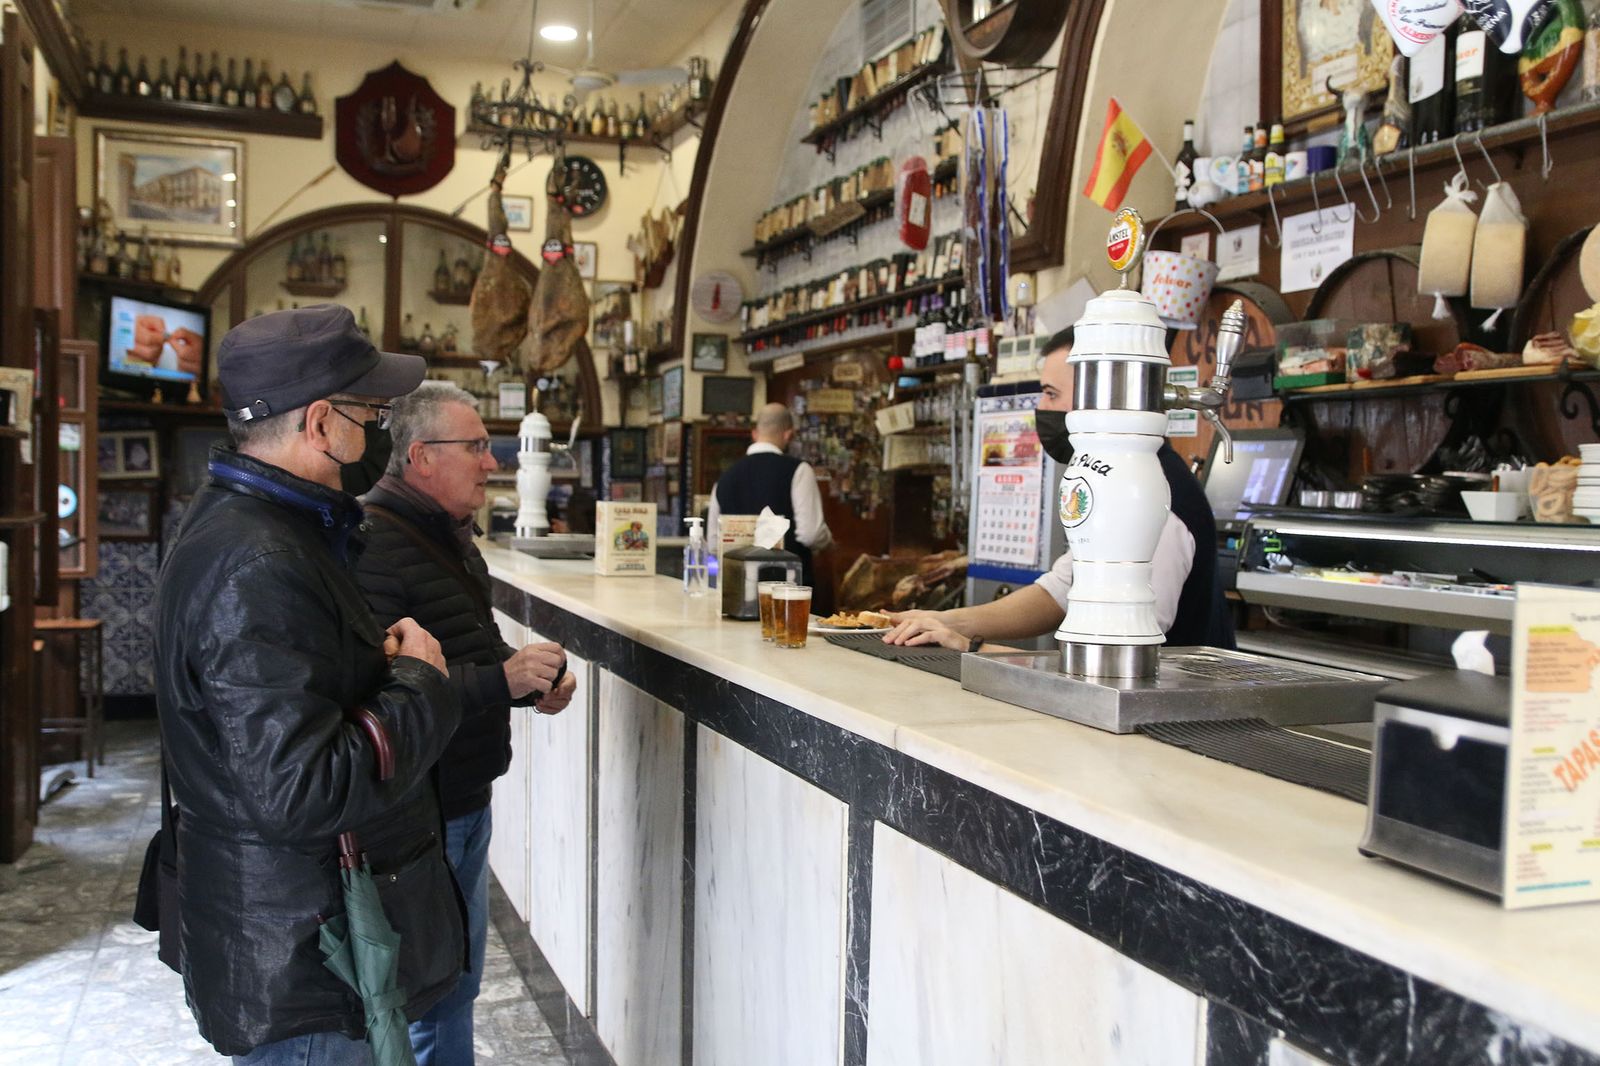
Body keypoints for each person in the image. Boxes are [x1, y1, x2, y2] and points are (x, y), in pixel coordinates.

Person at [154, 304, 466, 1065]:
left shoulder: (268, 527)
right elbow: (303, 788)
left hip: (297, 936)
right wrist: (420, 683)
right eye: (373, 413)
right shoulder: (258, 561)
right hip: (305, 962)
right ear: (323, 424)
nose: (379, 433)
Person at [353, 381, 577, 1066]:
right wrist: (498, 682)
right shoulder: (377, 546)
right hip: (424, 807)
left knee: (453, 982)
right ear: (420, 456)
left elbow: (461, 651)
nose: (492, 462)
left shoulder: (444, 535)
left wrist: (522, 680)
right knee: (435, 993)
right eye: (476, 447)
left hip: (462, 796)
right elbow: (382, 688)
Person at [885, 327, 1235, 652]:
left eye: (1052, 394)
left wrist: (969, 647)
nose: (1041, 409)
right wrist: (941, 621)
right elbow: (1062, 589)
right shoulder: (1109, 480)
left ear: (1101, 398)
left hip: (1171, 712)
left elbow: (1120, 652)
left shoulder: (1153, 495)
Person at [707, 402, 833, 584]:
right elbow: (810, 534)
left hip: (737, 590)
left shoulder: (725, 478)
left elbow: (713, 544)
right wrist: (827, 540)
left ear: (754, 434)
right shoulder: (798, 470)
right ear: (788, 434)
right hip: (788, 591)